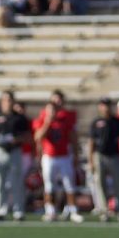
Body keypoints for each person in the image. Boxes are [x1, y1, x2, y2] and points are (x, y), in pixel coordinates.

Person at [35, 90, 82, 223]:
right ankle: (50, 211)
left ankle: (73, 211)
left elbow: (73, 137)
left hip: (64, 156)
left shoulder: (66, 117)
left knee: (69, 184)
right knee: (49, 185)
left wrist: (76, 155)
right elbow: (38, 137)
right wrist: (47, 122)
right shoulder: (44, 117)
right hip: (49, 156)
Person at [0, 90, 32, 221]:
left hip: (14, 151)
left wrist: (16, 139)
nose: (8, 103)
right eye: (5, 100)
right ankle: (0, 210)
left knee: (16, 182)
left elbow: (28, 136)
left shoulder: (19, 118)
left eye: (10, 100)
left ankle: (18, 211)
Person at [89, 97, 119, 221]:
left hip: (115, 156)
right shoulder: (96, 122)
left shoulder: (116, 121)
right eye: (103, 105)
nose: (106, 108)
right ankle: (104, 211)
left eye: (107, 105)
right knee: (100, 185)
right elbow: (91, 142)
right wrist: (91, 160)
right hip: (100, 155)